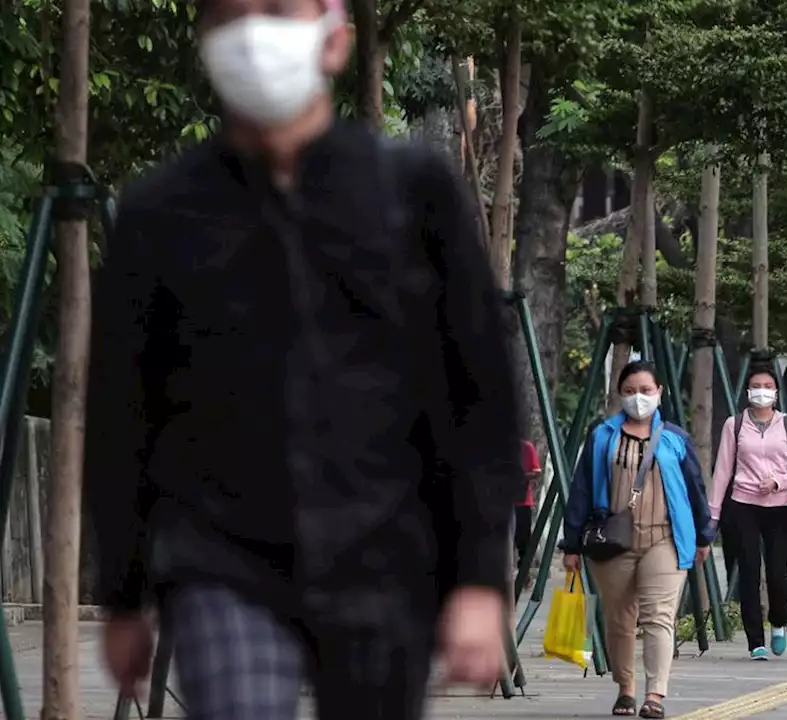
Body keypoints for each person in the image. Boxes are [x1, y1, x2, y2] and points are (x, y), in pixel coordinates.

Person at [83, 1, 523, 716]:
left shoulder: (413, 195)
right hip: (220, 562)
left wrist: (479, 578)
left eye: (280, 9)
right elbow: (120, 412)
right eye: (232, 14)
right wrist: (123, 592)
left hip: (383, 558)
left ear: (336, 39)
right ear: (205, 40)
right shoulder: (160, 214)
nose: (256, 33)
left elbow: (477, 393)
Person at [561, 361, 715, 719]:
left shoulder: (675, 438)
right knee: (619, 619)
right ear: (619, 394)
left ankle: (655, 696)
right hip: (611, 541)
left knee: (659, 617)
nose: (638, 398)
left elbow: (695, 488)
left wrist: (703, 534)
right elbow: (581, 490)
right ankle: (626, 689)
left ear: (660, 392)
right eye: (630, 391)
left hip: (665, 538)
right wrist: (571, 544)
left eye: (646, 390)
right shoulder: (601, 435)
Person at [709, 364, 787, 660]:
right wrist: (713, 515)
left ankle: (778, 621)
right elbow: (722, 471)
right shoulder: (735, 424)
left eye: (768, 385)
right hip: (744, 506)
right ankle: (756, 642)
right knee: (749, 573)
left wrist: (780, 481)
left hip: (779, 508)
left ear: (776, 392)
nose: (762, 391)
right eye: (756, 385)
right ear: (748, 391)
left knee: (778, 574)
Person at [514, 439, 543, 578]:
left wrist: (521, 476)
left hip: (522, 501)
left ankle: (524, 575)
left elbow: (537, 471)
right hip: (501, 502)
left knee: (523, 541)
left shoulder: (526, 446)